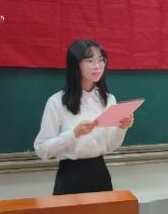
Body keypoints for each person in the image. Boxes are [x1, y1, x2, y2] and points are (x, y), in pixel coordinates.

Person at [34, 39, 134, 195]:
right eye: (90, 61)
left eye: (101, 60)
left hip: (100, 173)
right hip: (70, 176)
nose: (97, 66)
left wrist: (122, 128)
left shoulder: (108, 99)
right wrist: (74, 134)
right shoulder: (56, 102)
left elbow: (110, 146)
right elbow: (42, 150)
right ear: (76, 65)